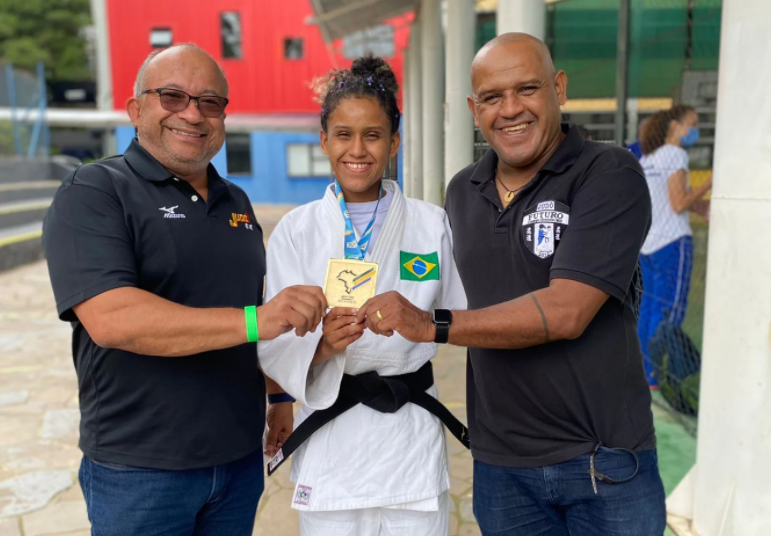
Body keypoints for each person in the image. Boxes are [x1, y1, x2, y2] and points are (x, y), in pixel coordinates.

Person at [357, 33, 666, 535]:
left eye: (527, 89)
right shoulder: (463, 190)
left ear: (559, 88)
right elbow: (435, 279)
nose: (510, 109)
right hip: (501, 467)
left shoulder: (608, 173)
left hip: (602, 463)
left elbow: (566, 311)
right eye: (492, 97)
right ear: (473, 109)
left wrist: (431, 324)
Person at [42, 44, 327, 536]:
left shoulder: (236, 202)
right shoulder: (94, 191)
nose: (193, 114)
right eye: (172, 96)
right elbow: (112, 319)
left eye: (210, 102)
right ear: (135, 109)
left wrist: (278, 396)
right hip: (141, 470)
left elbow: (253, 304)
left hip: (237, 462)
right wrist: (258, 320)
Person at [257, 56, 467, 536]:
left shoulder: (431, 223)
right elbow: (274, 341)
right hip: (332, 439)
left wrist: (421, 323)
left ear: (394, 143)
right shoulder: (297, 230)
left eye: (372, 135)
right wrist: (322, 347)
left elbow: (463, 317)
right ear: (324, 141)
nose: (357, 149)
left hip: (408, 435)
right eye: (343, 135)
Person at [636, 105, 712, 387]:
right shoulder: (676, 155)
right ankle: (670, 372)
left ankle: (647, 372)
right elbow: (679, 203)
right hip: (672, 243)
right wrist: (711, 182)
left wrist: (702, 206)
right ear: (674, 126)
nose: (694, 130)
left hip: (647, 245)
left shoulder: (649, 158)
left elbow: (671, 200)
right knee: (670, 312)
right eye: (691, 123)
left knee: (648, 310)